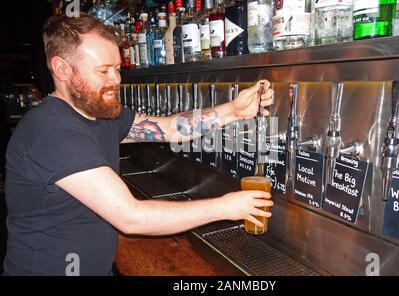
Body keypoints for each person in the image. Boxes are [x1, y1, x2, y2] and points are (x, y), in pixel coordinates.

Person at [2, 13, 273, 276]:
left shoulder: (99, 112)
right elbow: (131, 217)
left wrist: (234, 110)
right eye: (104, 70)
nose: (116, 80)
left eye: (117, 69)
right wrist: (226, 207)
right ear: (62, 69)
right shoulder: (52, 131)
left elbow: (168, 129)